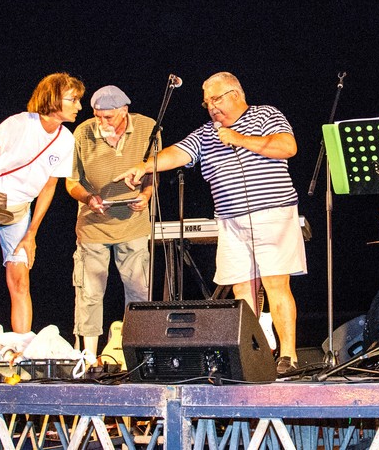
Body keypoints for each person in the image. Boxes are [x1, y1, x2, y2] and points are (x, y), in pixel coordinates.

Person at [115, 72, 307, 375]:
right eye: (207, 103)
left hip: (272, 212)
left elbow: (287, 146)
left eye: (216, 99)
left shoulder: (265, 115)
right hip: (230, 219)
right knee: (241, 288)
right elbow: (178, 152)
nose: (211, 107)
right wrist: (144, 166)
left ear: (236, 94)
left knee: (275, 283)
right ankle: (255, 356)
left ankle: (288, 356)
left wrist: (239, 139)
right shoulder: (207, 133)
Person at [0, 72, 84, 348]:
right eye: (73, 99)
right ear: (53, 99)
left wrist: (31, 233)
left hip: (19, 210)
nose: (79, 106)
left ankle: (21, 352)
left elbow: (49, 187)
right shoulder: (20, 123)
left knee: (20, 279)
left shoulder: (66, 140)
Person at [65, 85, 158, 360]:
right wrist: (88, 198)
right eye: (97, 116)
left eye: (108, 117)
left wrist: (145, 195)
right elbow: (71, 182)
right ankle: (88, 357)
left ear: (124, 111)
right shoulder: (82, 132)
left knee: (139, 291)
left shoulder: (148, 127)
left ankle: (138, 356)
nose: (102, 122)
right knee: (90, 293)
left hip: (133, 224)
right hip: (93, 225)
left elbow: (153, 170)